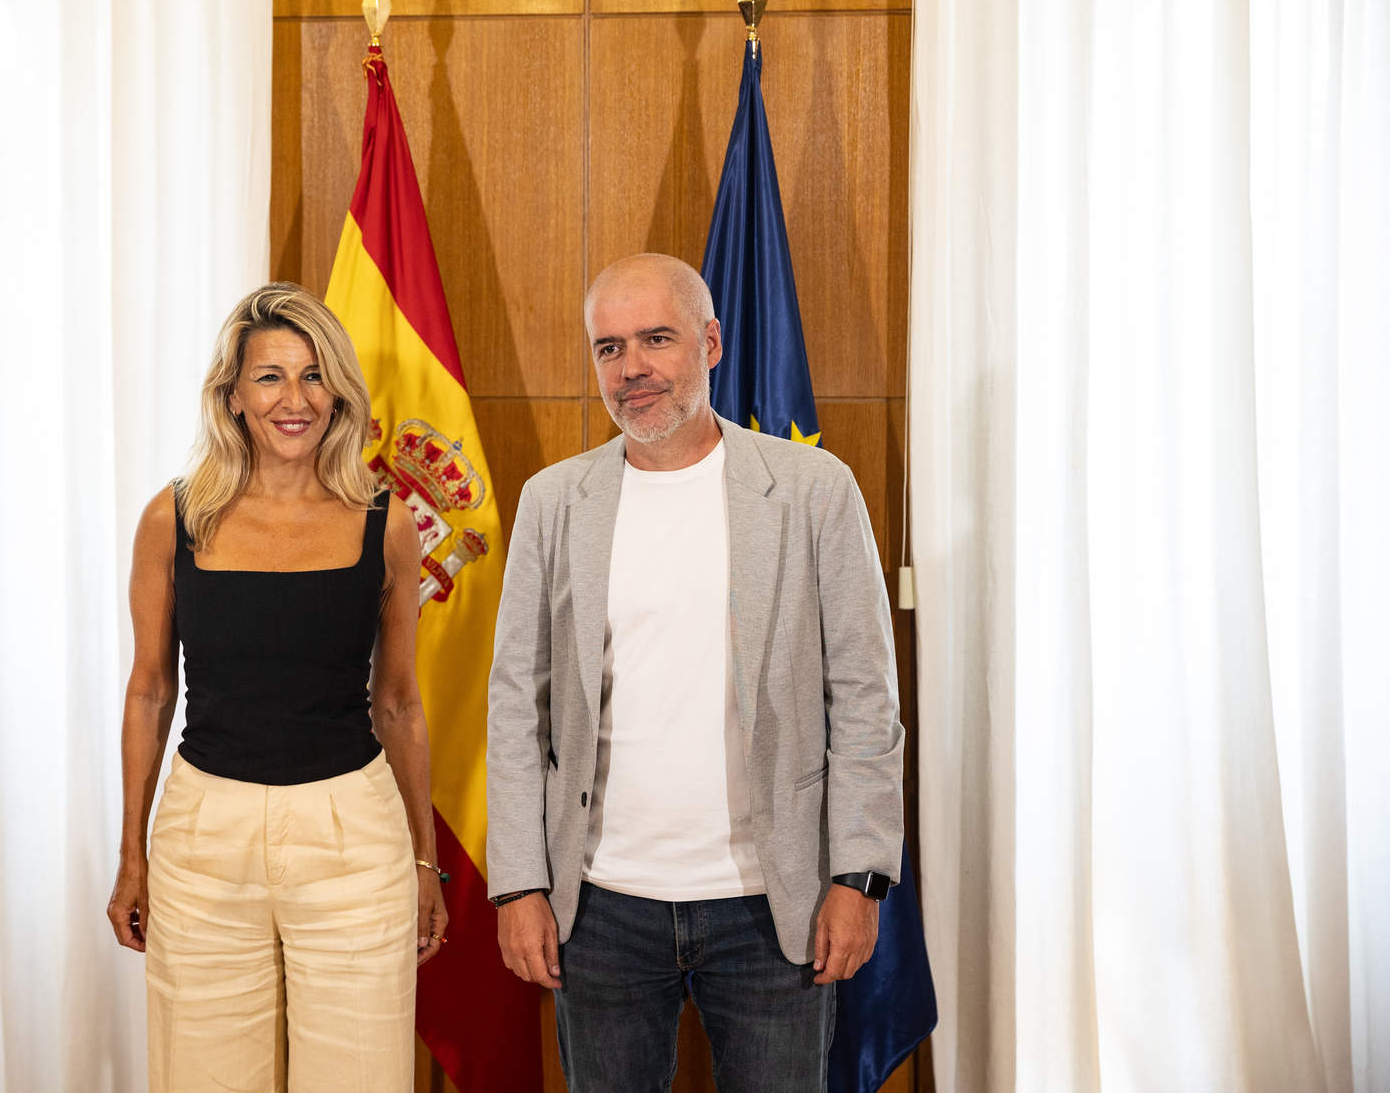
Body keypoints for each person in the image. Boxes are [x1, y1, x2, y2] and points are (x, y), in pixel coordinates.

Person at [486, 254, 904, 1092]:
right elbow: (515, 707)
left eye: (656, 339)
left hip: (773, 906)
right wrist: (519, 884)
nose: (632, 367)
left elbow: (863, 696)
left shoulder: (814, 490)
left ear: (710, 343)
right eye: (609, 348)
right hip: (599, 906)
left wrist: (860, 878)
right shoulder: (553, 501)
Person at [107, 282, 449, 1092]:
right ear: (232, 395)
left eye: (313, 375)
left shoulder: (385, 520)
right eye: (269, 377)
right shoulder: (175, 517)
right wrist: (132, 855)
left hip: (354, 842)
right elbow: (150, 691)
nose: (293, 399)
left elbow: (397, 700)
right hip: (202, 838)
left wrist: (424, 863)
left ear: (338, 392)